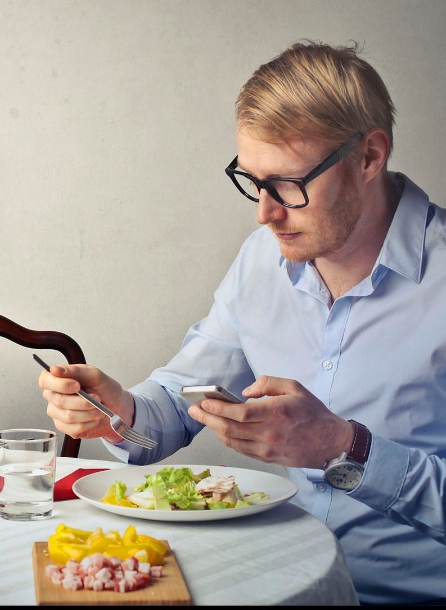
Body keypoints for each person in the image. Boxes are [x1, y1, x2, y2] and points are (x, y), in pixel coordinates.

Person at [37, 40, 445, 605]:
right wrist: (117, 413)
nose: (265, 212)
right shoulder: (261, 259)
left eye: (288, 185)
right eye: (253, 181)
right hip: (281, 585)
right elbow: (177, 408)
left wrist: (344, 446)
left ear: (370, 156)